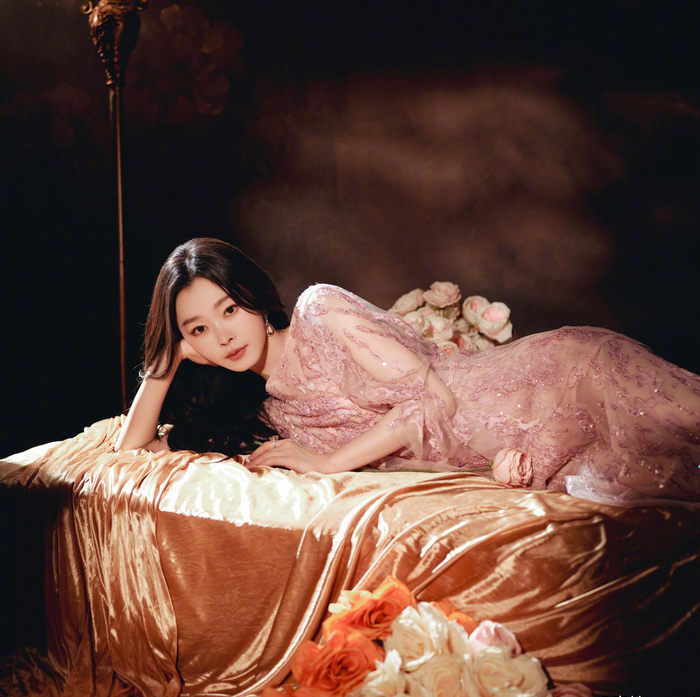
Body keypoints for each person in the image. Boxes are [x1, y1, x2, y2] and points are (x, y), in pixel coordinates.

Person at [115, 237, 700, 510]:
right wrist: (164, 364)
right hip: (530, 446)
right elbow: (130, 450)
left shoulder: (319, 311)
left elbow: (430, 398)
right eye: (198, 329)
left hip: (560, 378)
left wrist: (327, 463)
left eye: (229, 310)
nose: (222, 336)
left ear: (255, 298)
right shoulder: (270, 412)